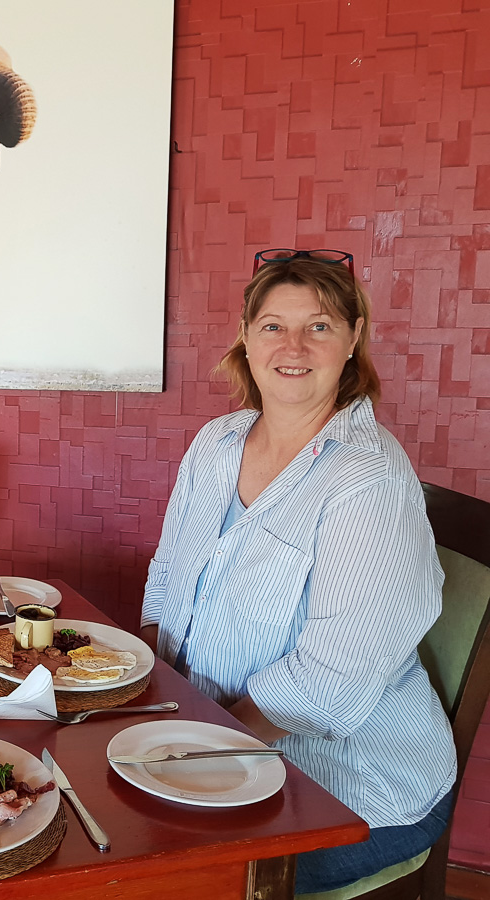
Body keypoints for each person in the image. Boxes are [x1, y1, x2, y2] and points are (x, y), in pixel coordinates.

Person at [140, 249, 457, 895]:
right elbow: (166, 580)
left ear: (352, 340)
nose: (294, 345)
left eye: (318, 326)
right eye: (273, 326)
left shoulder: (367, 480)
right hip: (207, 745)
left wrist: (193, 746)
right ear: (247, 339)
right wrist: (140, 708)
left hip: (349, 791)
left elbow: (329, 686)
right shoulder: (217, 442)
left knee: (154, 878)